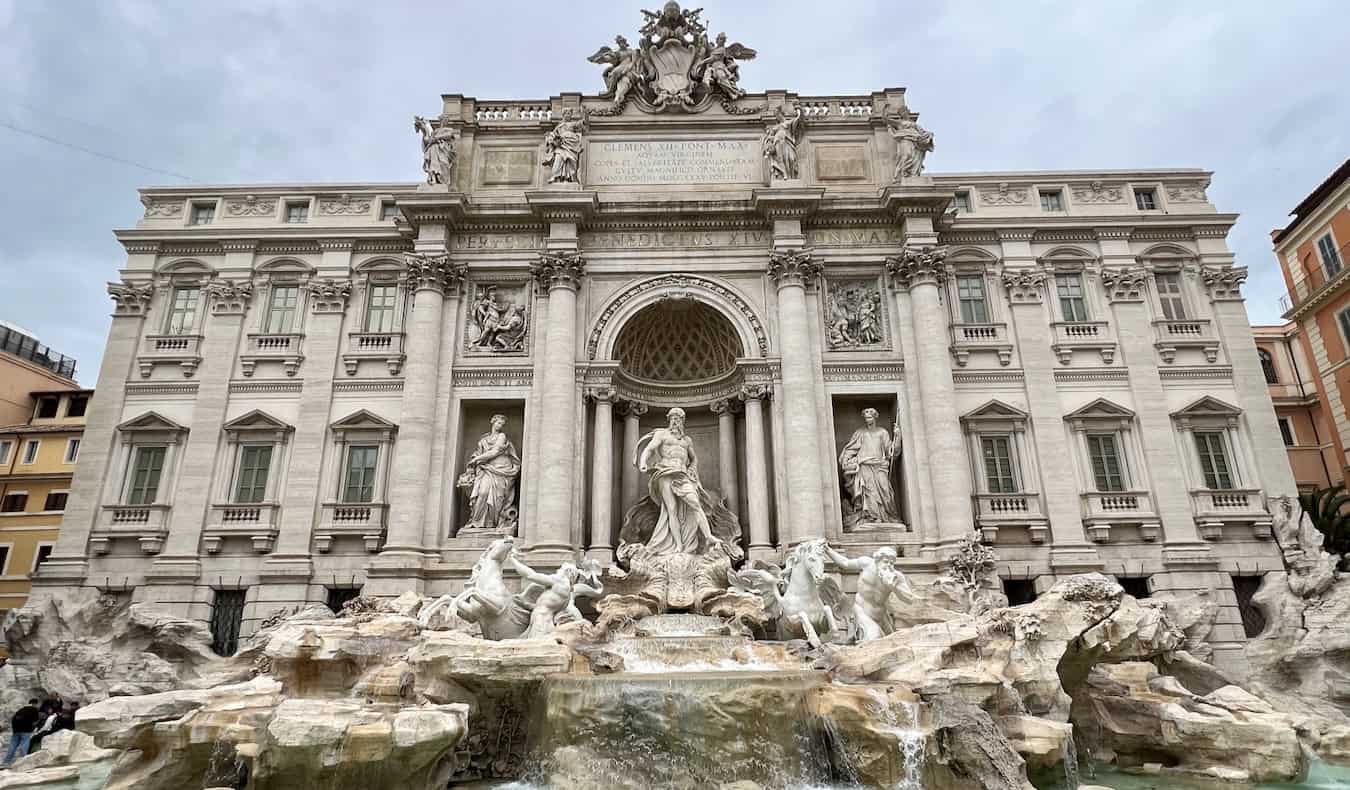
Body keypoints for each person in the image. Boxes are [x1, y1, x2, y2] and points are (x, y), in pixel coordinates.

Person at [3, 699, 40, 765]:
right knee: (24, 746)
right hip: (26, 730)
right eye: (37, 704)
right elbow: (35, 722)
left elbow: (14, 719)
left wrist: (14, 730)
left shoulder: (21, 709)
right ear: (35, 704)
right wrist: (33, 728)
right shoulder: (34, 710)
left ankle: (6, 762)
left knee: (12, 746)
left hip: (16, 730)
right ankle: (23, 762)